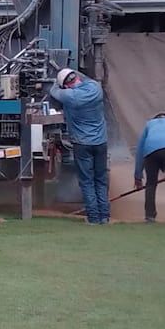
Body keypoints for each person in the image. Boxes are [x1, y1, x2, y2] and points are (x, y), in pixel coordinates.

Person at [50, 68, 109, 224]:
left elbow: (53, 91)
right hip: (101, 142)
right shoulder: (95, 88)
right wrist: (69, 71)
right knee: (101, 180)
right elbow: (84, 78)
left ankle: (93, 218)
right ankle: (105, 217)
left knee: (87, 181)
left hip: (82, 143)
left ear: (66, 85)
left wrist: (57, 81)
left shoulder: (69, 96)